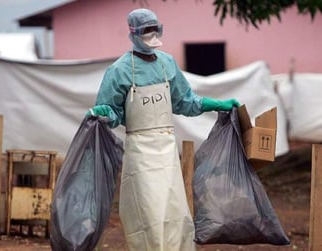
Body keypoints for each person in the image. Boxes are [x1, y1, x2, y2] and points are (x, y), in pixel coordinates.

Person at [87, 8, 240, 251]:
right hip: (139, 149)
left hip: (167, 148)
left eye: (154, 29)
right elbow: (114, 113)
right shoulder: (119, 70)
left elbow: (185, 101)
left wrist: (215, 104)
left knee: (174, 209)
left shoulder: (167, 63)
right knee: (148, 211)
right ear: (133, 33)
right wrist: (105, 113)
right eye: (146, 30)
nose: (151, 34)